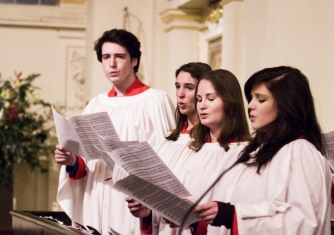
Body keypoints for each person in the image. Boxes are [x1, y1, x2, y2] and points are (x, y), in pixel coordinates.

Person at [54, 29, 176, 235]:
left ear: (134, 60)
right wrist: (71, 161)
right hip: (97, 195)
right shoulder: (95, 104)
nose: (112, 63)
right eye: (106, 57)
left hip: (133, 200)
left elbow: (169, 159)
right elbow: (87, 161)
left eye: (119, 56)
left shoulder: (155, 101)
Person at [195, 66, 332, 235]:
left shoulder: (301, 153)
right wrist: (197, 222)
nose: (250, 106)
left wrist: (234, 217)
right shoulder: (245, 153)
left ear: (286, 105)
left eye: (261, 100)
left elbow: (303, 223)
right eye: (251, 98)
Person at [130, 69, 251, 235]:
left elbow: (241, 215)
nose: (201, 105)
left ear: (230, 103)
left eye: (210, 98)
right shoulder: (193, 149)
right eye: (200, 99)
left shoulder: (245, 153)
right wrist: (150, 212)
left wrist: (194, 219)